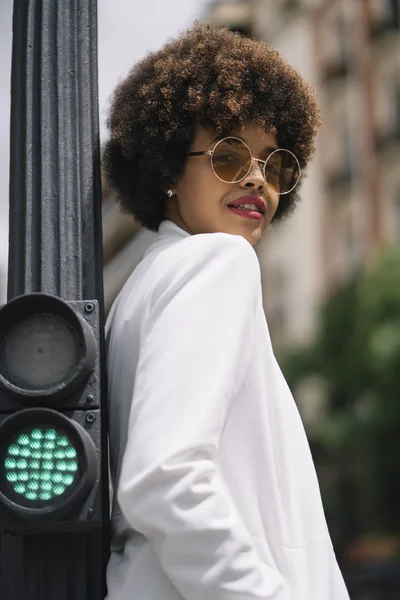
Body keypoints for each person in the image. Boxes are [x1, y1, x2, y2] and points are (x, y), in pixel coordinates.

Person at [103, 22, 350, 600]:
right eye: (228, 155)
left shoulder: (139, 293)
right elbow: (165, 478)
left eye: (275, 163)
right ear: (167, 167)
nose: (257, 178)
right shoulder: (218, 263)